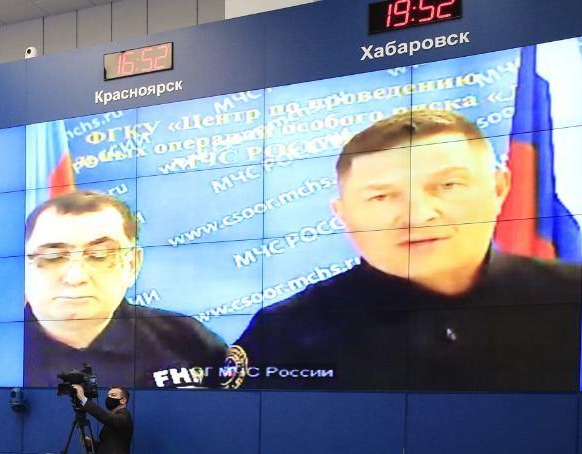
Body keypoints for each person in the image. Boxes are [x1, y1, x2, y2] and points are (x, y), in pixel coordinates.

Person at [235, 108, 581, 391]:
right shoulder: (283, 333)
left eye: (448, 185)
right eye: (381, 196)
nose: (417, 215)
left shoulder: (572, 294)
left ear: (500, 188)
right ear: (342, 214)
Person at [23, 190, 226, 389]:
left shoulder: (184, 340)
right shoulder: (3, 347)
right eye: (53, 257)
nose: (76, 277)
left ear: (132, 265)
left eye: (100, 256)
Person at [73, 384, 132, 454]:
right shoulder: (114, 417)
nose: (109, 398)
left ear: (123, 400)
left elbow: (107, 418)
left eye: (113, 395)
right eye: (108, 395)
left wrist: (83, 399)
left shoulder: (124, 416)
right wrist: (92, 444)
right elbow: (108, 447)